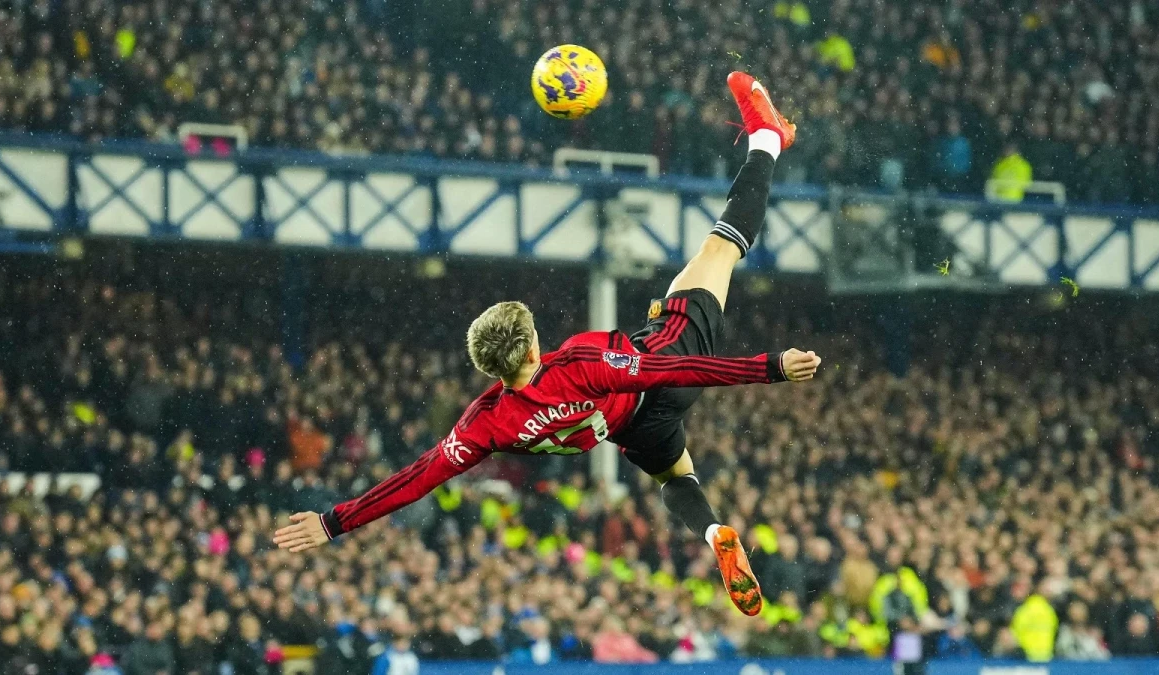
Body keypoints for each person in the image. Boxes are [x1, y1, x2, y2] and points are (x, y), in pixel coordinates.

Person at [273, 71, 820, 617]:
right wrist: (770, 367)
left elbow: (415, 480)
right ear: (533, 348)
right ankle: (766, 139)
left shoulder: (486, 423)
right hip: (662, 366)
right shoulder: (578, 362)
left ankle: (712, 531)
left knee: (676, 476)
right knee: (720, 250)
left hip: (632, 430)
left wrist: (333, 521)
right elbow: (665, 373)